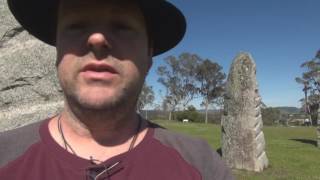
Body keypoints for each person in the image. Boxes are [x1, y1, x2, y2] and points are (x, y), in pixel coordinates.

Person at [0, 0, 234, 179]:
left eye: (121, 26)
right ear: (58, 50)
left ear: (149, 54)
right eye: (77, 25)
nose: (98, 38)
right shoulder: (5, 157)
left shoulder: (201, 165)